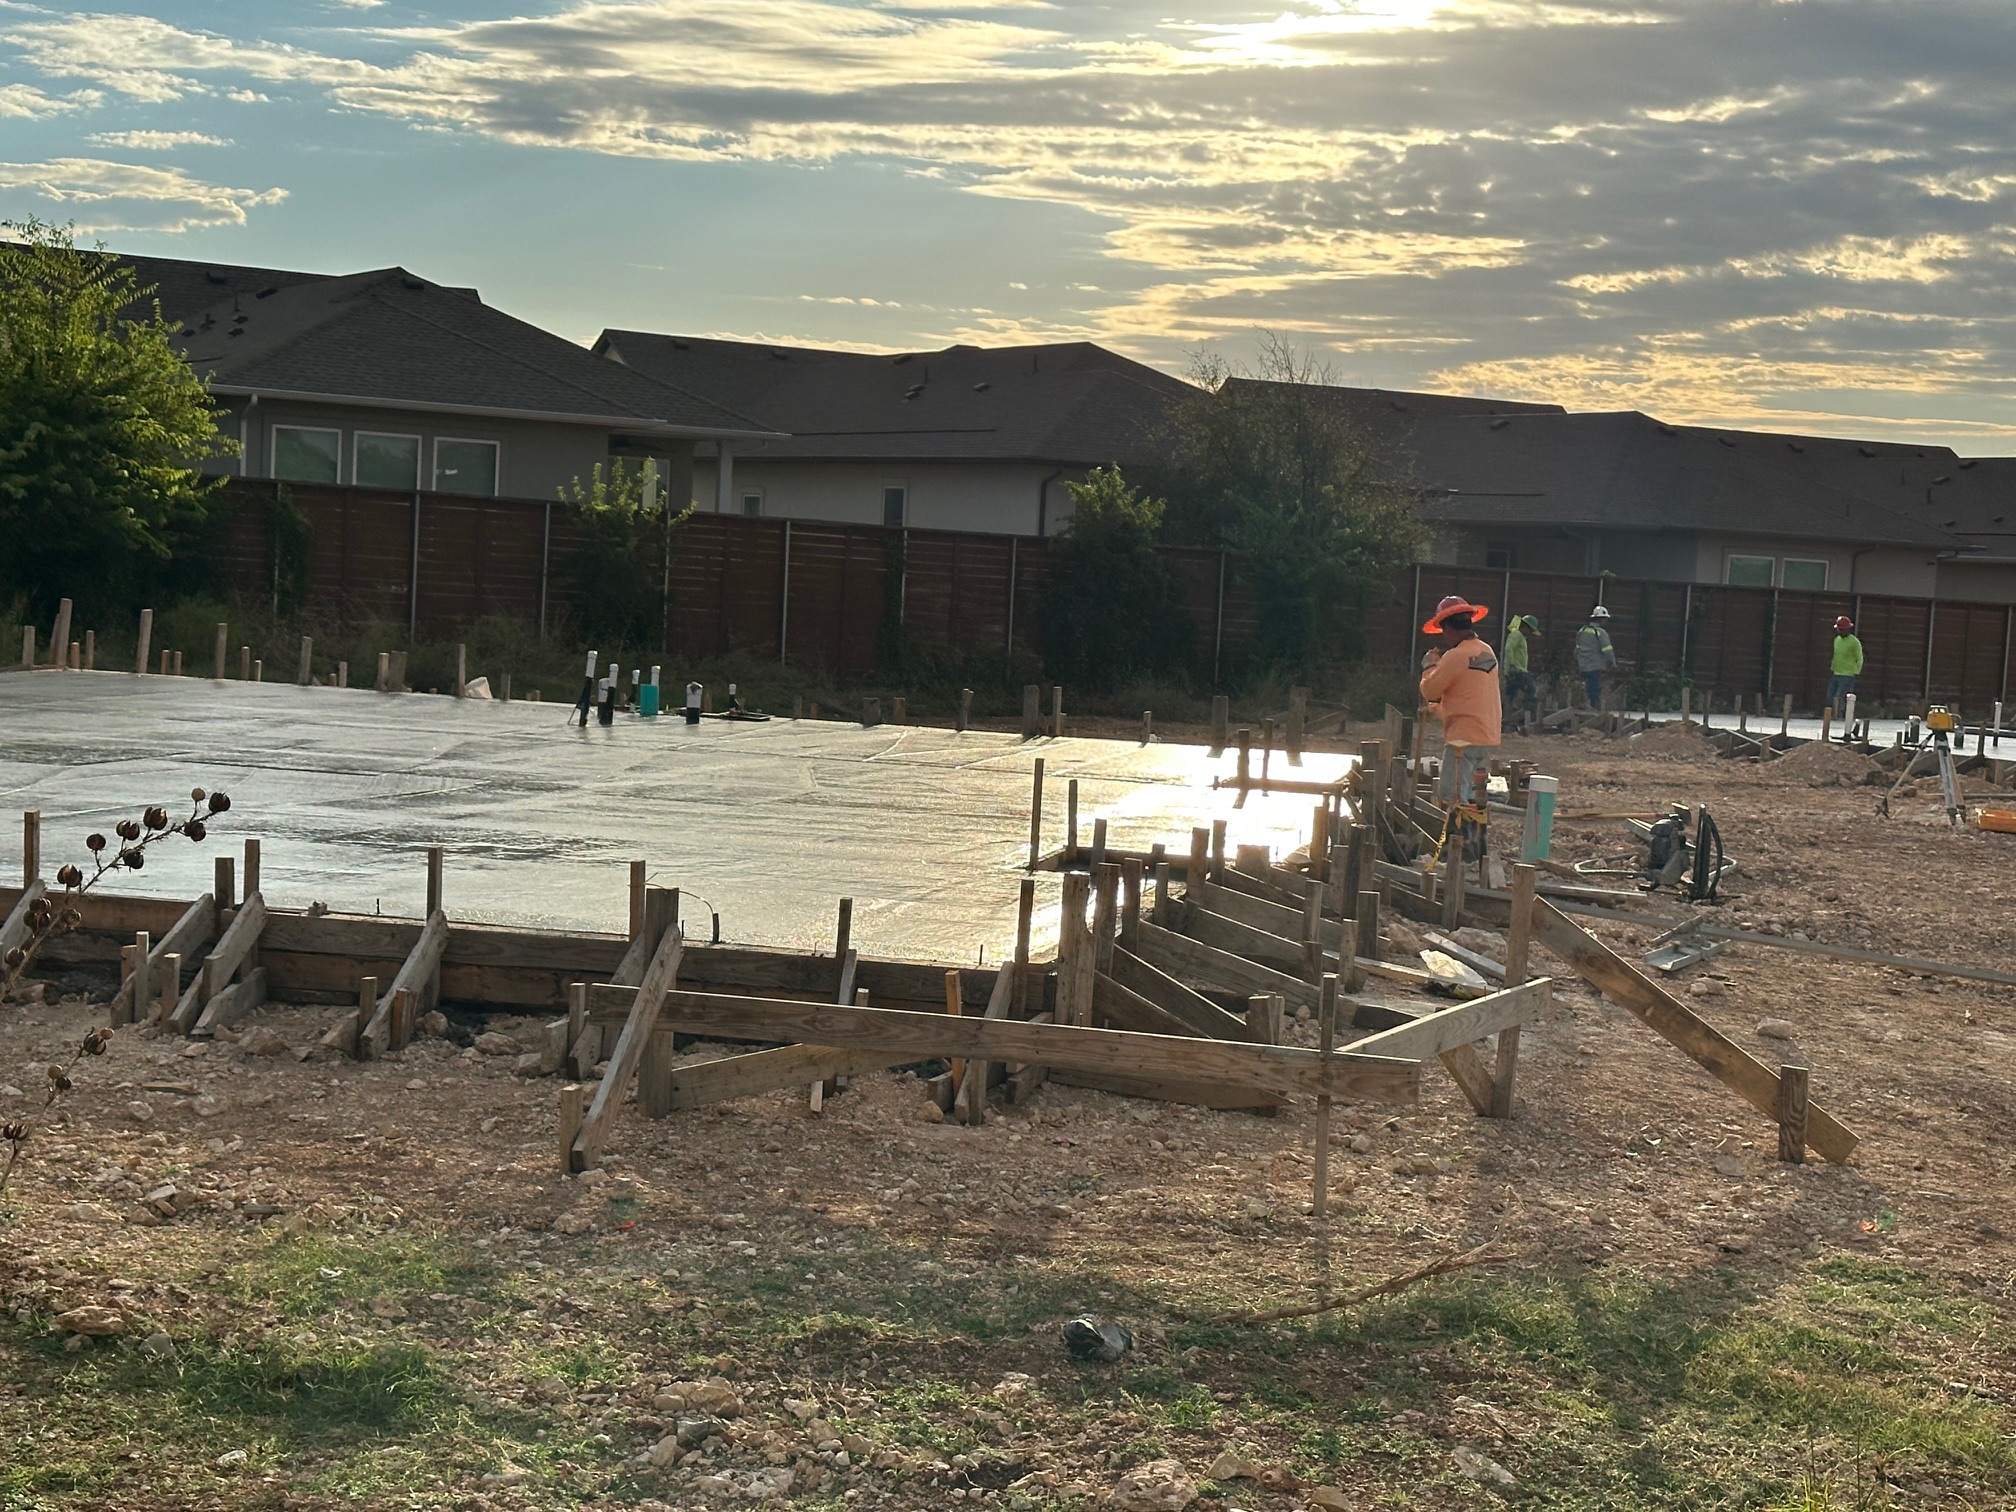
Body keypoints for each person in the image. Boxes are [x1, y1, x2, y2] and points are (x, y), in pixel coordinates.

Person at [1419, 595, 1503, 816]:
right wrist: (1437, 710)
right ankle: (1471, 834)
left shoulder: (1455, 656)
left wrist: (1429, 667)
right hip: (1485, 735)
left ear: (1447, 628)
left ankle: (1458, 835)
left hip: (1462, 741)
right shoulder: (1486, 651)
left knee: (1452, 797)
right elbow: (1469, 698)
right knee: (1470, 797)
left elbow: (1430, 691)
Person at [1574, 606, 1617, 709]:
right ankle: (1593, 710)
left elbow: (1577, 650)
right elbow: (1607, 650)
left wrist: (1579, 662)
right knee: (1594, 691)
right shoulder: (1601, 633)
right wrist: (1612, 664)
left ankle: (1584, 706)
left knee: (1585, 690)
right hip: (1595, 667)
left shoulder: (1582, 630)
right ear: (1601, 619)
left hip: (1583, 666)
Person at [1502, 614, 1540, 726]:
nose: (1530, 633)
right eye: (1530, 630)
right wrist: (1512, 665)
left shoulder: (1519, 636)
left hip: (1514, 671)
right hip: (1517, 671)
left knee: (1510, 696)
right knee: (1532, 691)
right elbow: (1508, 648)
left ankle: (1508, 720)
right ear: (1525, 627)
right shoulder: (1516, 635)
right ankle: (1529, 720)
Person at [1828, 616, 1863, 711]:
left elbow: (1859, 657)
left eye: (1842, 629)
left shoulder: (1854, 642)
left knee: (1839, 698)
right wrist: (1832, 668)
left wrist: (1857, 671)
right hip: (1836, 673)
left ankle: (1839, 715)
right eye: (1839, 629)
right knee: (1830, 697)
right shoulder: (1836, 640)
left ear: (1848, 629)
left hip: (1848, 675)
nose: (1840, 631)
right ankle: (1831, 714)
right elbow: (1836, 655)